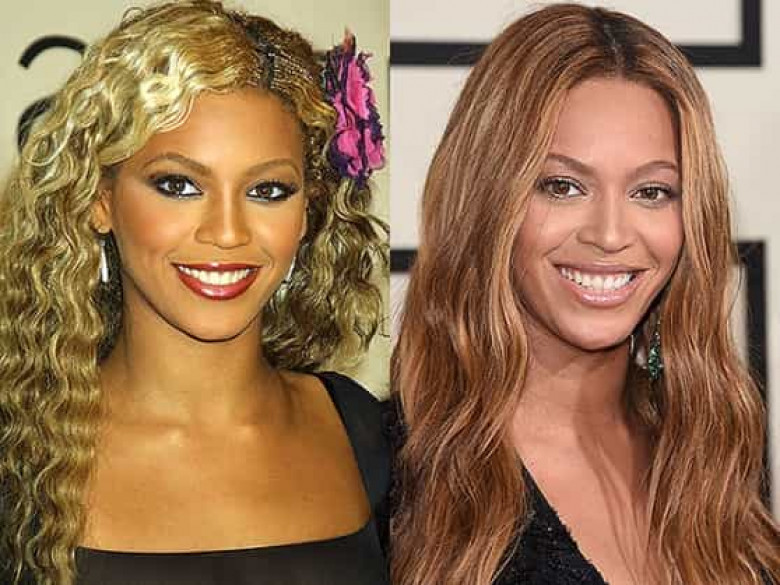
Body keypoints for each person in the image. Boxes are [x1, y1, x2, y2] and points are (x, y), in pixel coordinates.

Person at [0, 2, 389, 584]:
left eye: (268, 190)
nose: (227, 233)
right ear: (99, 200)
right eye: (178, 185)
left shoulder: (369, 435)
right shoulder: (17, 453)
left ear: (307, 211)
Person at [390, 4, 780, 585]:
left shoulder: (710, 450)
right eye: (563, 186)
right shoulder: (395, 468)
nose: (610, 235)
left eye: (652, 192)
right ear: (488, 199)